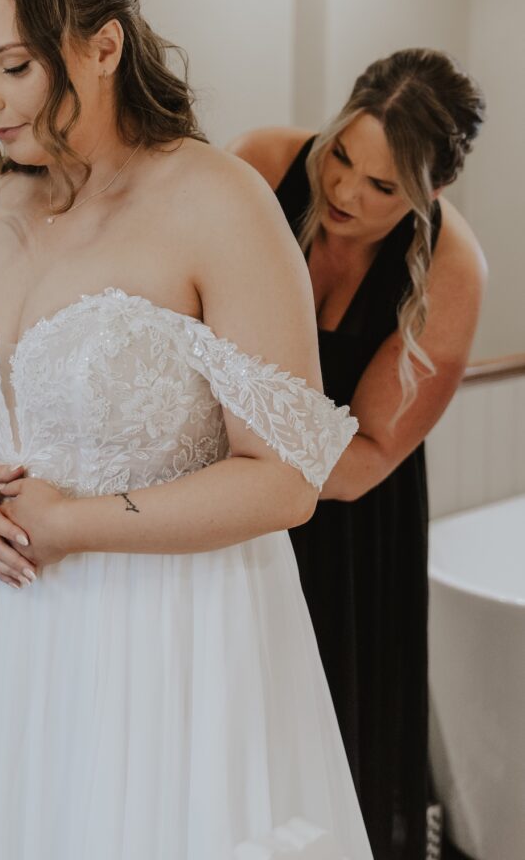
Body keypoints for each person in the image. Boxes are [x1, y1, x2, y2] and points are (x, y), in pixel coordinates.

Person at [0, 0, 372, 860]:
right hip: (17, 627)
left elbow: (286, 479)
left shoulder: (216, 201)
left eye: (12, 64)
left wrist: (69, 523)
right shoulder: (10, 195)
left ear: (102, 46)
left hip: (168, 640)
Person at [228, 48, 487, 860]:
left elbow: (369, 449)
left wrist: (255, 483)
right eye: (341, 155)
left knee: (328, 732)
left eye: (381, 188)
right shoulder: (265, 164)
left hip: (344, 522)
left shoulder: (450, 269)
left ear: (429, 192)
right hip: (225, 487)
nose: (342, 192)